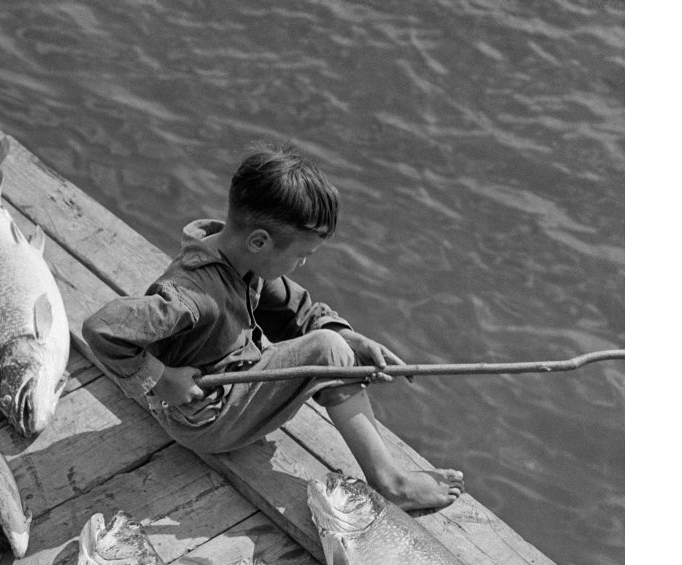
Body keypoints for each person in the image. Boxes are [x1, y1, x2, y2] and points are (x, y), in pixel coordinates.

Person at [82, 143, 464, 510]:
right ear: (260, 241)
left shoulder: (239, 258)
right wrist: (163, 379)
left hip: (230, 387)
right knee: (325, 350)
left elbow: (297, 310)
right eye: (302, 256)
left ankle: (345, 375)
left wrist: (350, 339)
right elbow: (102, 329)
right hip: (204, 419)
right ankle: (391, 482)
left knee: (334, 343)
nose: (303, 265)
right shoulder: (192, 295)